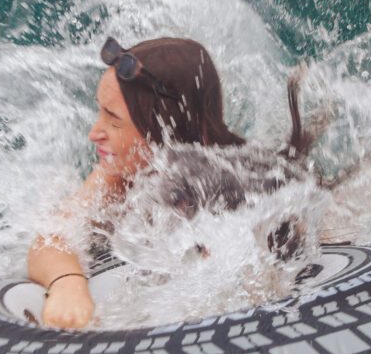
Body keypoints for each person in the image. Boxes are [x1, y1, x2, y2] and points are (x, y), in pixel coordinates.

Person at [27, 36, 246, 329]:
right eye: (99, 111)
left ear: (163, 129)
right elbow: (52, 238)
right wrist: (67, 283)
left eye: (113, 120)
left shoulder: (225, 188)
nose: (94, 132)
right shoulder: (118, 177)